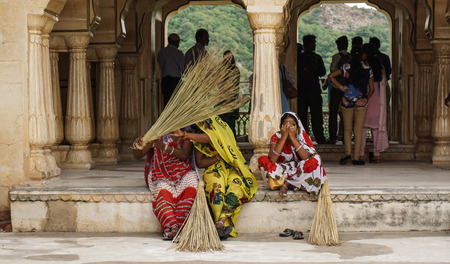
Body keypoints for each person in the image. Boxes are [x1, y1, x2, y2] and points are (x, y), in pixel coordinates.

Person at [171, 116, 258, 239]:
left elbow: (211, 137)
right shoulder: (198, 138)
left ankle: (220, 222)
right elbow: (200, 163)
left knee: (236, 187)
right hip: (214, 168)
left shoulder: (222, 129)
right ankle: (220, 225)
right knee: (216, 188)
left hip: (232, 166)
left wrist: (184, 134)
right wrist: (217, 158)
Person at [132, 130, 198, 241]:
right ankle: (172, 226)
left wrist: (163, 147)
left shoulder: (186, 134)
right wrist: (137, 145)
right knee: (163, 191)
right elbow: (138, 155)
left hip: (183, 172)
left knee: (192, 185)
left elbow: (184, 155)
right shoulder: (156, 134)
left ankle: (180, 225)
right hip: (161, 173)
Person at [258, 112, 326, 197]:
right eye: (285, 125)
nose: (289, 127)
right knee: (263, 161)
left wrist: (293, 138)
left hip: (299, 168)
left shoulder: (302, 136)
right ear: (281, 126)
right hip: (283, 169)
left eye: (292, 125)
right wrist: (283, 137)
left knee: (316, 160)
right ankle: (297, 183)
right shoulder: (277, 136)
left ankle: (287, 183)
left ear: (297, 126)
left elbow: (306, 157)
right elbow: (272, 159)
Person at [328, 45, 374, 166]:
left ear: (351, 55)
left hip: (347, 100)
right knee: (358, 130)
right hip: (361, 102)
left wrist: (341, 87)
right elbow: (372, 89)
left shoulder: (345, 67)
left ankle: (347, 154)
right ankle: (356, 157)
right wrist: (364, 98)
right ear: (362, 55)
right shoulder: (368, 69)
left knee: (347, 130)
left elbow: (330, 76)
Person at [360, 43, 389, 163]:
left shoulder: (363, 66)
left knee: (361, 127)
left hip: (366, 96)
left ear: (365, 54)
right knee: (376, 128)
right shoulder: (379, 66)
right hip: (378, 98)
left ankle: (360, 153)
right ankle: (377, 155)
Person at [297, 34, 327, 144]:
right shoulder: (316, 58)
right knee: (317, 117)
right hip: (314, 90)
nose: (315, 45)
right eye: (313, 43)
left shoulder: (298, 58)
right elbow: (322, 72)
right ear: (309, 44)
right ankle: (320, 138)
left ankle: (302, 140)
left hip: (301, 91)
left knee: (302, 117)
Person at [328, 36, 351, 144]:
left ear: (338, 46)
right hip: (348, 89)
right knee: (348, 112)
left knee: (333, 112)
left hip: (337, 87)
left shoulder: (336, 57)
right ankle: (347, 136)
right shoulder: (351, 57)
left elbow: (332, 70)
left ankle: (333, 136)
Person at [157, 33, 184, 107]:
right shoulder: (178, 53)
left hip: (165, 80)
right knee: (175, 103)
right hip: (175, 81)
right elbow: (183, 68)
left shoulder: (162, 52)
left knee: (167, 102)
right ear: (176, 42)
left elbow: (161, 65)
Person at [219, 50, 241, 137]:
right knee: (229, 125)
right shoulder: (235, 70)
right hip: (230, 101)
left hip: (226, 101)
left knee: (225, 124)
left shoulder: (223, 71)